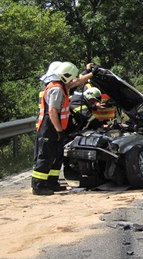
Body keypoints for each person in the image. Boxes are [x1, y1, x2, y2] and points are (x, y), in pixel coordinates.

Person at [32, 61, 92, 195]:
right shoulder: (57, 89)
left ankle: (52, 182)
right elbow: (53, 111)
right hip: (50, 126)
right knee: (45, 155)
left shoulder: (62, 86)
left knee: (57, 155)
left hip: (56, 126)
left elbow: (76, 82)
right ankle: (38, 185)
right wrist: (59, 130)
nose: (72, 79)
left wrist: (92, 74)